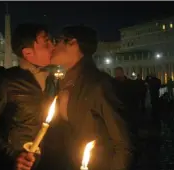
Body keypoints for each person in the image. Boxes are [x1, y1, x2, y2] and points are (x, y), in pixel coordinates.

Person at [37, 25, 134, 170]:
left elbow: (124, 144)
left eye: (58, 41)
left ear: (73, 43)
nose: (52, 47)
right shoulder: (65, 83)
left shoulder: (99, 85)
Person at [0, 23, 54, 170]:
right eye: (46, 42)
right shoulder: (5, 81)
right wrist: (13, 155)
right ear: (28, 53)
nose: (52, 46)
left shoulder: (52, 81)